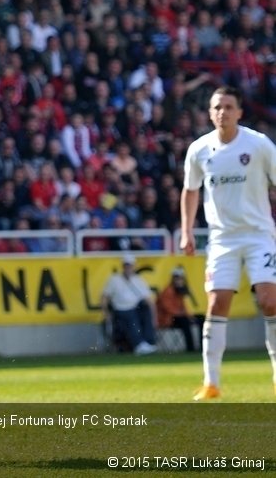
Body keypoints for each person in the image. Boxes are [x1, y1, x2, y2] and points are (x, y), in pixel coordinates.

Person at [180, 85, 276, 401]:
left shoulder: (259, 145)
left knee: (270, 301)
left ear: (240, 112)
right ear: (210, 113)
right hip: (222, 238)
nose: (223, 112)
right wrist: (187, 231)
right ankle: (211, 383)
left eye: (229, 107)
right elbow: (190, 190)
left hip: (259, 234)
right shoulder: (199, 149)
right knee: (217, 302)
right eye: (217, 107)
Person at [100, 254, 158, 355]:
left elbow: (149, 301)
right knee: (130, 315)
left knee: (145, 310)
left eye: (130, 265)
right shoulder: (114, 279)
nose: (128, 268)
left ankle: (148, 341)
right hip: (120, 310)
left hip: (135, 309)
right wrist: (106, 313)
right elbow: (104, 298)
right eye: (126, 265)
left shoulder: (138, 280)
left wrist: (154, 317)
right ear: (122, 266)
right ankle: (139, 344)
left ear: (134, 266)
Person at [156, 267, 202, 353]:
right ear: (173, 279)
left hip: (178, 317)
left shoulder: (179, 291)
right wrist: (184, 314)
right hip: (168, 319)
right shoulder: (168, 291)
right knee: (185, 321)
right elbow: (168, 309)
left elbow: (183, 308)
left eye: (181, 279)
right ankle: (191, 348)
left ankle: (202, 347)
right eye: (177, 279)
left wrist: (189, 316)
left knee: (201, 318)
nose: (179, 281)